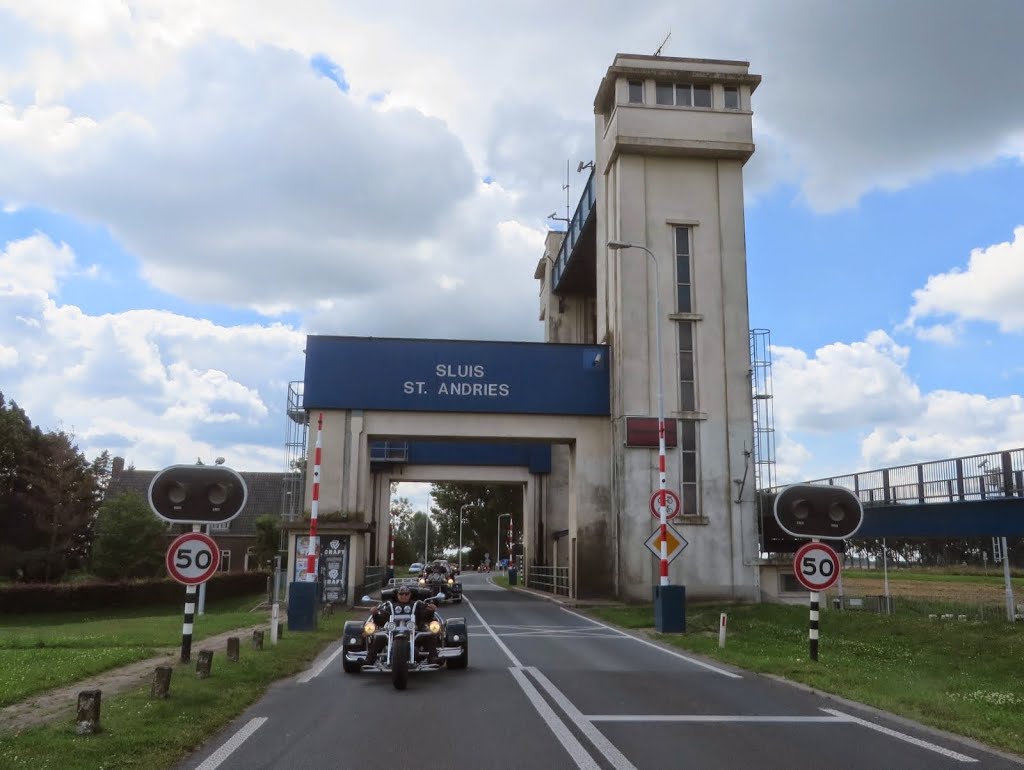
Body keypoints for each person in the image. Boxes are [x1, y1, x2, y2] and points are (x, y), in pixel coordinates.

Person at [365, 585, 439, 665]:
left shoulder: (417, 604)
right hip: (392, 634)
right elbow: (381, 621)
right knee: (379, 637)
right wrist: (375, 614)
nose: (404, 596)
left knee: (428, 635)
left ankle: (433, 659)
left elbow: (425, 617)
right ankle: (369, 661)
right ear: (397, 595)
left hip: (415, 633)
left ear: (410, 594)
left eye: (406, 594)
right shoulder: (390, 606)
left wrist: (430, 611)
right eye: (401, 594)